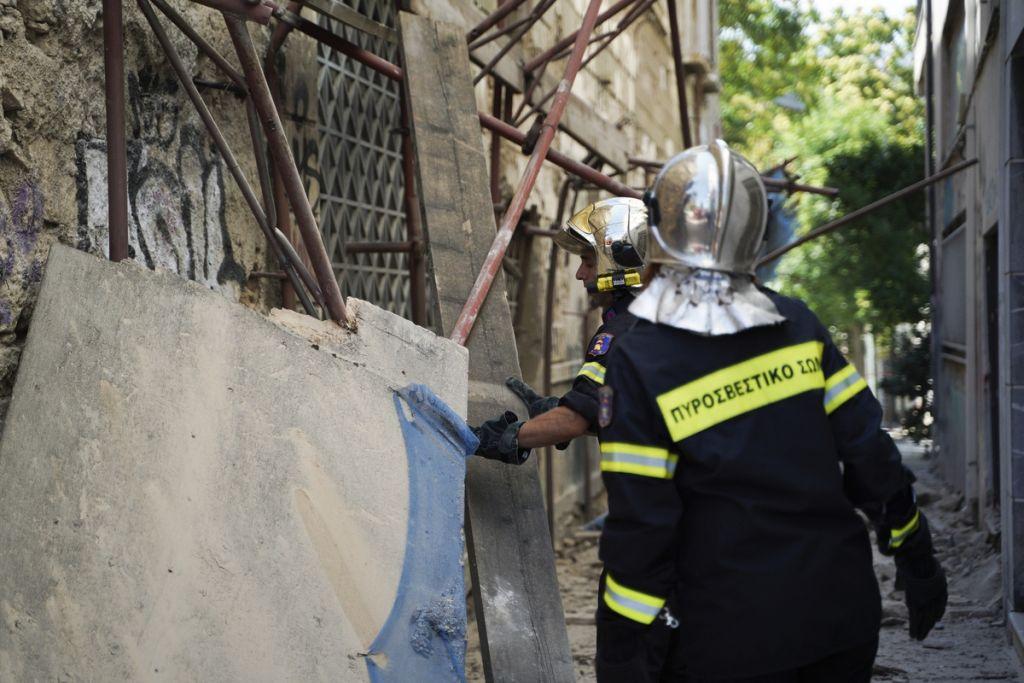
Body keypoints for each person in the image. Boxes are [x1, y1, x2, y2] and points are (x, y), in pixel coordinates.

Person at [594, 141, 948, 682]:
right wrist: (915, 552)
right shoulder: (797, 325)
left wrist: (622, 656)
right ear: (755, 233)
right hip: (839, 622)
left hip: (727, 643)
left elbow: (642, 533)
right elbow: (870, 455)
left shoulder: (639, 359)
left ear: (659, 234)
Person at [472, 197, 648, 464]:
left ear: (619, 267)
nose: (580, 274)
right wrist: (556, 408)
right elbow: (629, 413)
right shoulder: (651, 322)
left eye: (589, 263)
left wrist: (503, 438)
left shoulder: (620, 333)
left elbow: (573, 422)